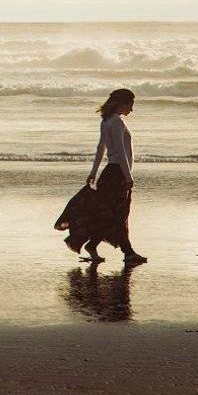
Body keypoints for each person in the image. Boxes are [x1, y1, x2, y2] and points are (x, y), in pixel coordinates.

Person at [54, 88, 148, 265]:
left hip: (109, 173)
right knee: (118, 215)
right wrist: (128, 176)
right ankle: (128, 254)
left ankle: (94, 246)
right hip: (117, 174)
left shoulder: (106, 121)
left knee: (108, 215)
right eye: (131, 105)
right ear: (122, 103)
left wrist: (94, 172)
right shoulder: (117, 123)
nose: (132, 110)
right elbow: (120, 151)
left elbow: (100, 149)